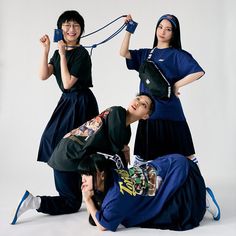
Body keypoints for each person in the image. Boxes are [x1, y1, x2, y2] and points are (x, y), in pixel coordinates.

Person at [120, 14, 220, 221]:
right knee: (144, 163)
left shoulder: (177, 55)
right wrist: (129, 29)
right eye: (160, 27)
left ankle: (203, 195)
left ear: (174, 33)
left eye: (168, 28)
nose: (163, 31)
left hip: (172, 117)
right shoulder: (147, 54)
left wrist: (176, 85)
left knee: (185, 160)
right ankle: (137, 202)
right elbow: (123, 52)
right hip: (149, 117)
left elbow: (198, 71)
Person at [11, 10, 99, 225]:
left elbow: (68, 82)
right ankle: (58, 194)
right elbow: (43, 75)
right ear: (61, 29)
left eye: (76, 26)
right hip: (68, 102)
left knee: (75, 145)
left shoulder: (80, 54)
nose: (71, 29)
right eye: (67, 25)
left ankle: (90, 193)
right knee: (53, 141)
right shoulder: (61, 50)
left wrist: (61, 54)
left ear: (81, 30)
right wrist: (47, 50)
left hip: (81, 102)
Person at [11, 93, 154, 224]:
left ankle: (101, 204)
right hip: (68, 157)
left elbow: (112, 152)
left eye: (144, 104)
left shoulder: (125, 131)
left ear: (146, 116)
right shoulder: (118, 112)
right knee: (71, 202)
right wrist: (124, 150)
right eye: (138, 98)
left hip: (76, 157)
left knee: (93, 185)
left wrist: (124, 149)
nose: (138, 102)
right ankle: (33, 202)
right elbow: (113, 155)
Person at [79, 152, 211, 231]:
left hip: (181, 173)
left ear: (102, 175)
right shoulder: (112, 174)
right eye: (82, 175)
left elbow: (103, 226)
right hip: (169, 164)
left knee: (173, 214)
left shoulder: (116, 195)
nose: (83, 180)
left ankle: (204, 199)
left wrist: (88, 199)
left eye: (87, 175)